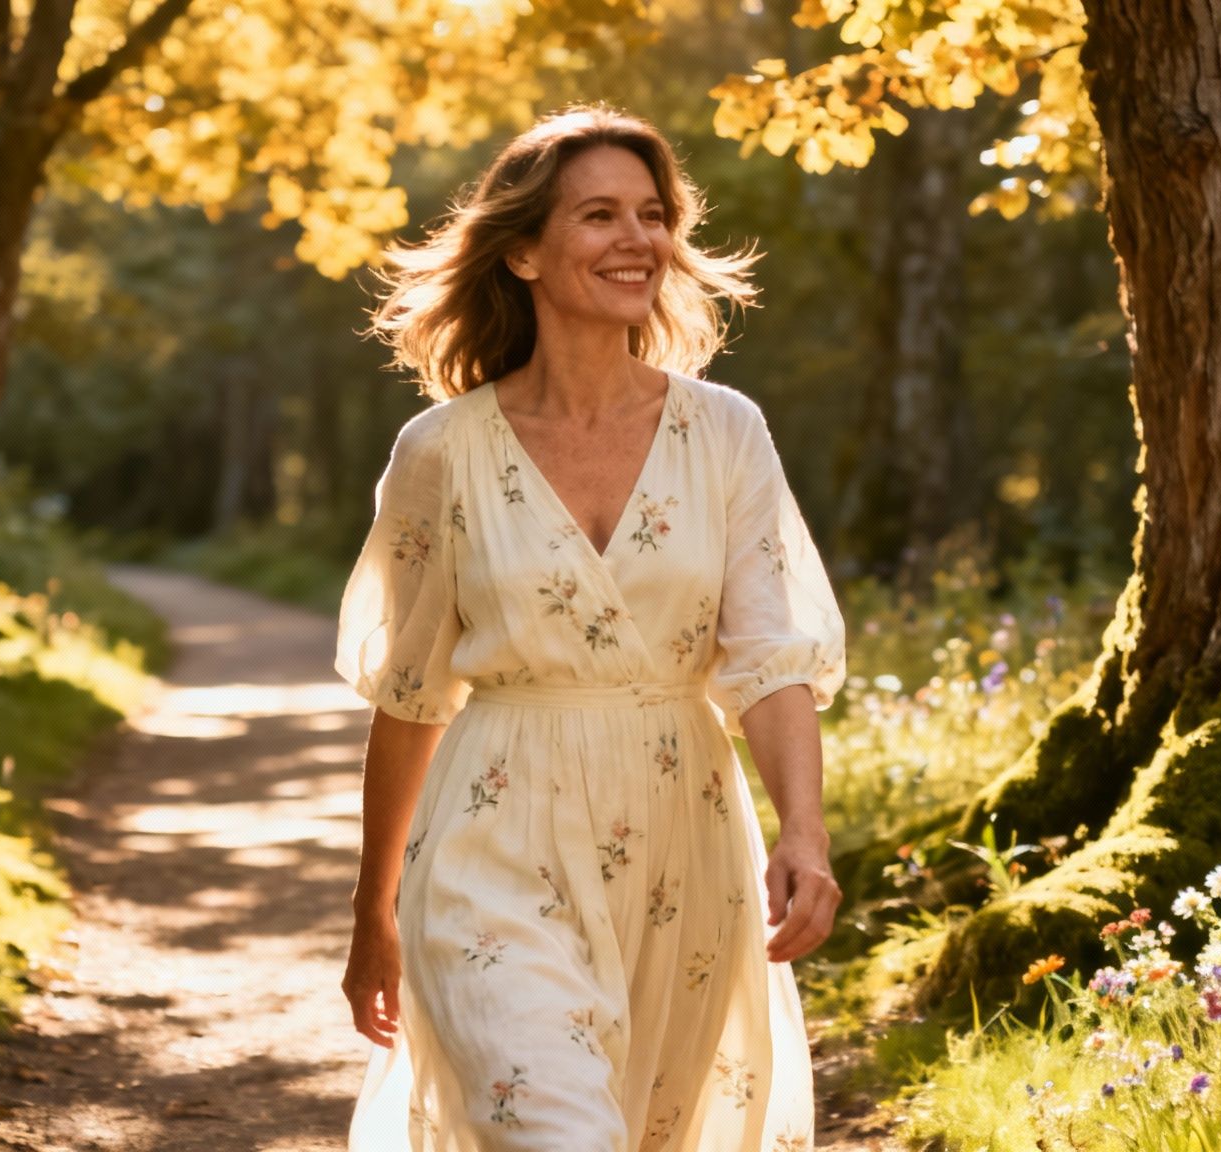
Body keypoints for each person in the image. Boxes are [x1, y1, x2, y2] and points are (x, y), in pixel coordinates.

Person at [334, 102, 847, 1151]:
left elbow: (766, 656)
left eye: (652, 215)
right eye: (600, 216)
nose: (637, 241)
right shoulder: (441, 452)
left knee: (647, 1133)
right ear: (520, 250)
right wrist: (370, 910)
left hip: (682, 837)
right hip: (492, 832)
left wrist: (804, 832)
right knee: (555, 1129)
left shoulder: (726, 432)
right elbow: (411, 694)